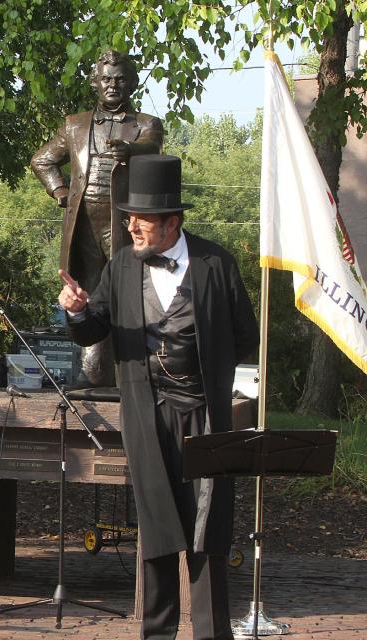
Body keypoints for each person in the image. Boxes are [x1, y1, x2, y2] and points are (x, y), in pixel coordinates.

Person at [57, 155, 258, 640]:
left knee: (208, 532)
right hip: (147, 416)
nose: (131, 227)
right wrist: (77, 311)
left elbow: (247, 337)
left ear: (172, 223)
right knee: (159, 530)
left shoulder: (216, 264)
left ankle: (212, 634)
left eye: (140, 220)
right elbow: (93, 331)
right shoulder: (122, 266)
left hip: (206, 416)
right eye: (129, 218)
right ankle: (158, 633)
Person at [32, 49, 163, 386]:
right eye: (106, 78)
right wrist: (59, 191)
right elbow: (42, 160)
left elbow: (152, 145)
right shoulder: (74, 124)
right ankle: (94, 375)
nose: (113, 85)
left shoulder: (147, 124)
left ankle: (131, 374)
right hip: (85, 222)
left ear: (132, 83)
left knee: (130, 292)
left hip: (127, 223)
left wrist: (131, 151)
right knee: (89, 294)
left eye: (120, 79)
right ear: (95, 83)